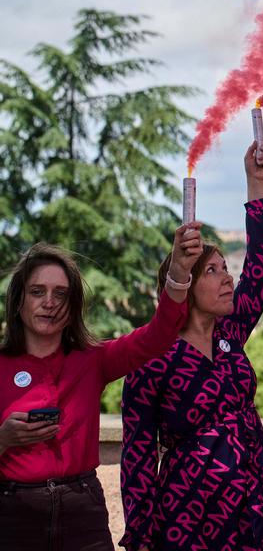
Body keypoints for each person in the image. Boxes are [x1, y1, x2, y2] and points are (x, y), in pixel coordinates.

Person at [119, 137, 263, 551]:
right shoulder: (152, 357)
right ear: (187, 284)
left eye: (226, 267)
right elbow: (139, 454)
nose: (228, 277)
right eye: (213, 271)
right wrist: (141, 535)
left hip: (258, 503)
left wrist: (256, 181)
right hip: (191, 516)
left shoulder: (230, 331)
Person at [0, 227, 201, 550]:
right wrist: (3, 440)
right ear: (19, 300)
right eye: (37, 291)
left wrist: (178, 271)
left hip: (83, 514)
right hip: (13, 516)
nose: (49, 303)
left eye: (61, 294)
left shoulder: (93, 360)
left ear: (73, 306)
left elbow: (159, 335)